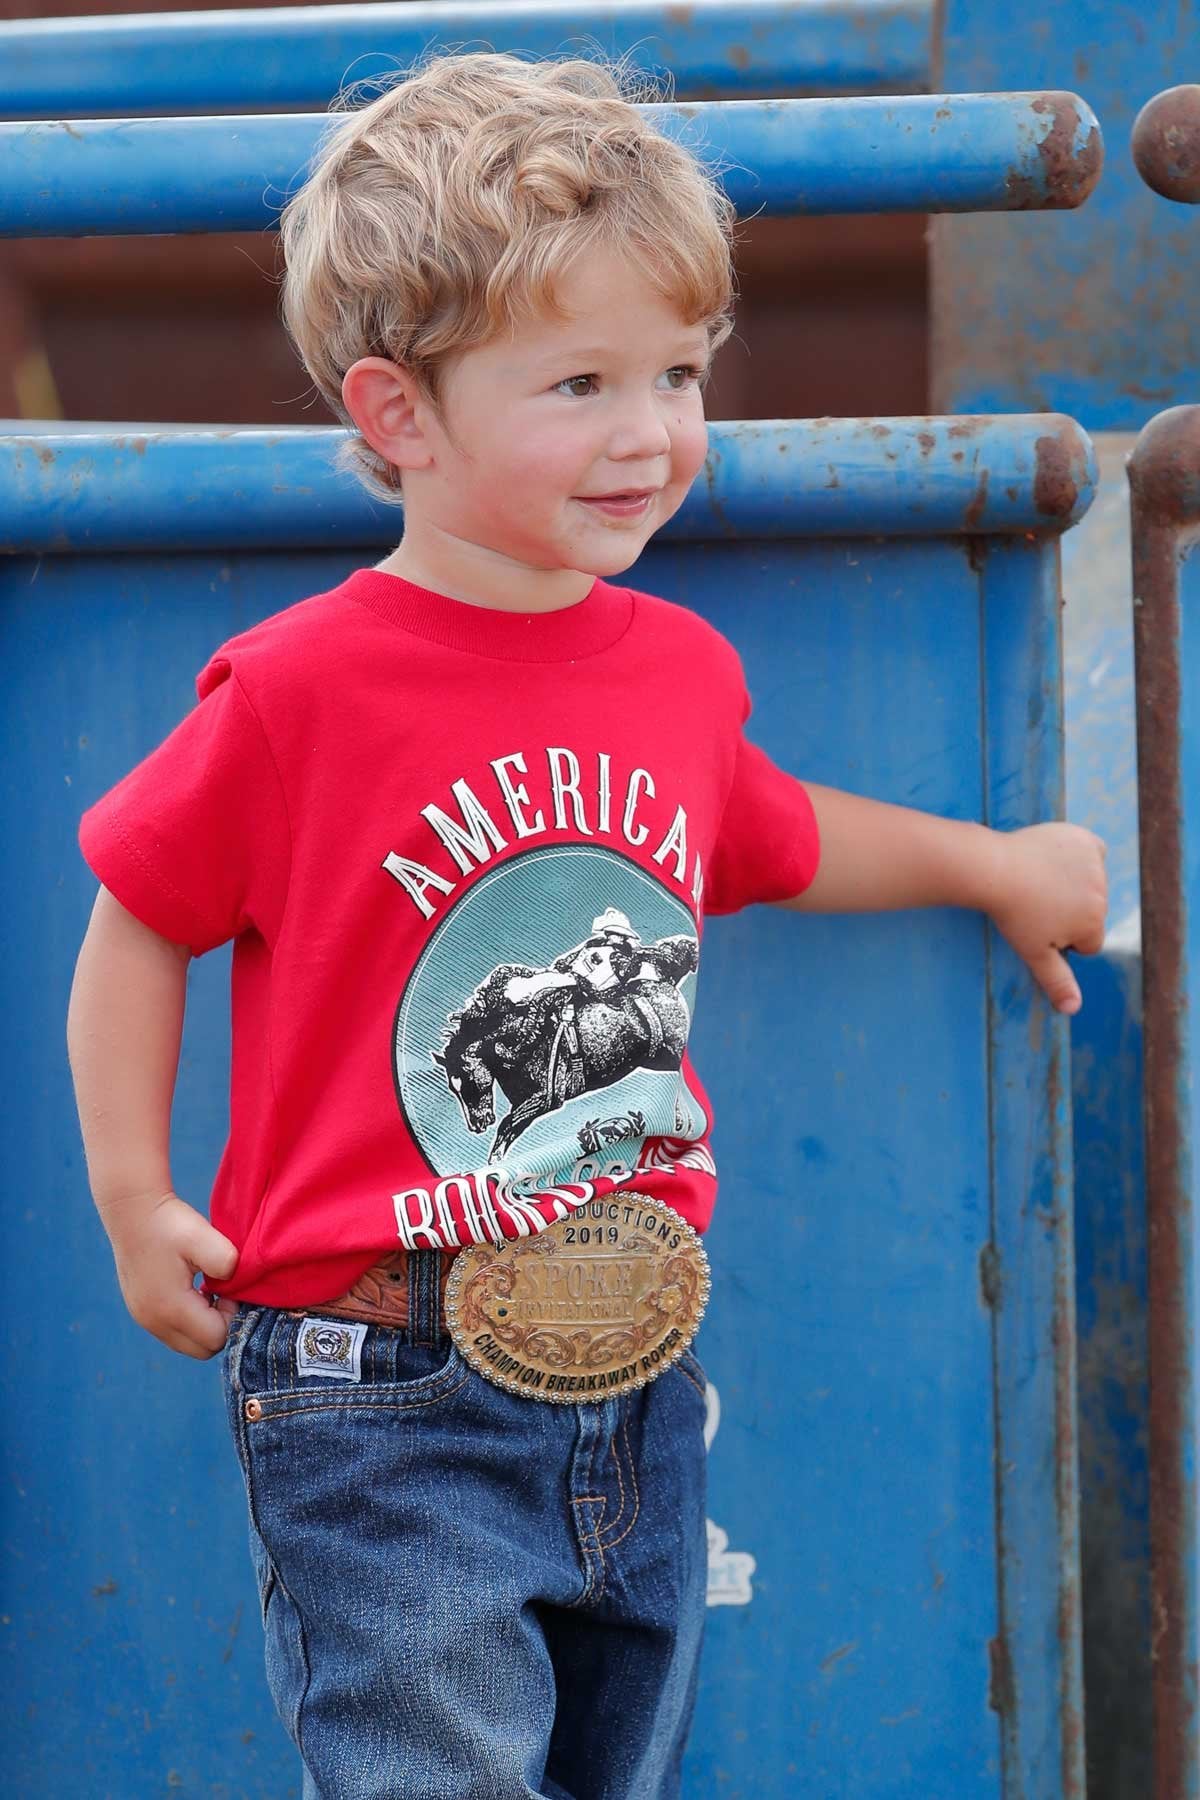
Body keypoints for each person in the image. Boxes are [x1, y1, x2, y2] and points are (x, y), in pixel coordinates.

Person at [65, 50, 1108, 1800]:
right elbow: (139, 910)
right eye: (580, 381)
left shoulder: (679, 671)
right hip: (376, 1375)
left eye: (682, 372)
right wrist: (129, 1188)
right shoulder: (299, 692)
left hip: (634, 1362)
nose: (654, 433)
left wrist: (992, 862)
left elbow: (771, 839)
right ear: (398, 416)